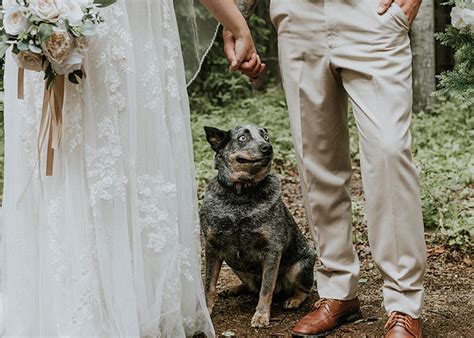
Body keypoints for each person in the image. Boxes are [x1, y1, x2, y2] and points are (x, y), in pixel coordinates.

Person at [0, 0, 263, 336]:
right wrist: (237, 23)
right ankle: (103, 304)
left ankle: (80, 303)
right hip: (109, 25)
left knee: (90, 156)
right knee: (106, 153)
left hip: (112, 25)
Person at [225, 0, 426, 337]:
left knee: (390, 151)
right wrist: (237, 16)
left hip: (372, 13)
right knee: (316, 158)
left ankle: (405, 304)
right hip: (299, 17)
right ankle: (337, 290)